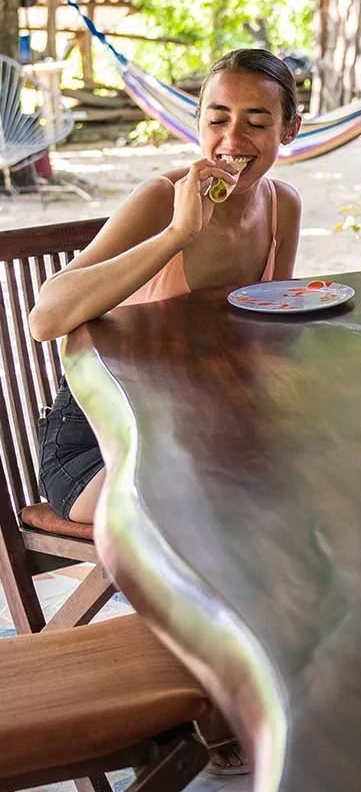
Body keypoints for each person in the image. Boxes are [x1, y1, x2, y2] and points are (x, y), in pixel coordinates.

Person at [31, 49, 303, 525]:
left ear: (289, 130)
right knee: (220, 513)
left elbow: (269, 334)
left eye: (257, 124)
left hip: (202, 429)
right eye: (218, 120)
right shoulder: (162, 199)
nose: (232, 140)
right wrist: (177, 234)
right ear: (197, 123)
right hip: (100, 440)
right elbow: (45, 319)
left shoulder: (283, 206)